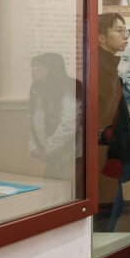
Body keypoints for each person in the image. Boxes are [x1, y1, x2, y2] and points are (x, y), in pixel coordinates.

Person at [95, 13, 130, 233]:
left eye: (125, 30)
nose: (125, 35)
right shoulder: (98, 69)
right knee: (108, 210)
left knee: (114, 207)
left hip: (111, 152)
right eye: (119, 31)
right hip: (103, 153)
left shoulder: (109, 66)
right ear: (101, 37)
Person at [29, 52, 82, 183]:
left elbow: (69, 124)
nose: (34, 70)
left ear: (52, 69)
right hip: (50, 154)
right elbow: (34, 120)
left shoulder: (69, 87)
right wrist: (35, 147)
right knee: (51, 188)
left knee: (66, 188)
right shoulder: (39, 89)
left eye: (39, 67)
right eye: (33, 66)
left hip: (68, 155)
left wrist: (49, 149)